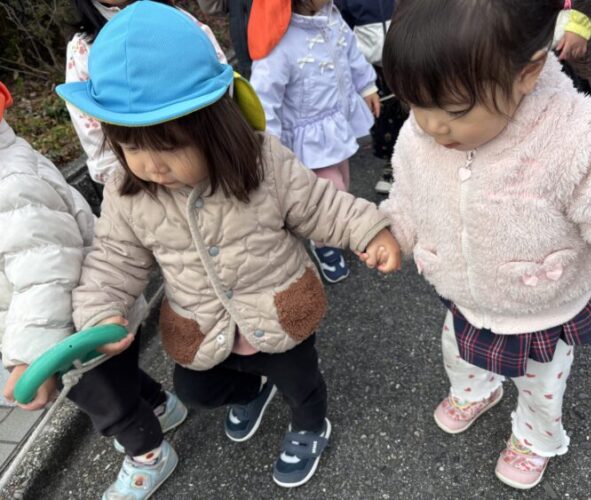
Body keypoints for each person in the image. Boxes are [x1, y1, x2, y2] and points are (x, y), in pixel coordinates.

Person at [56, 1, 400, 491]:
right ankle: (251, 389)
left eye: (169, 146)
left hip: (278, 308)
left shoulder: (261, 163)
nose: (151, 165)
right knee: (197, 390)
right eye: (130, 146)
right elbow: (113, 260)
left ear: (213, 123)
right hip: (204, 325)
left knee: (301, 384)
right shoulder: (128, 193)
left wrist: (369, 230)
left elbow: (320, 204)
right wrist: (100, 312)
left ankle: (310, 426)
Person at [378, 0, 591, 490]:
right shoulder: (425, 128)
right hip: (464, 296)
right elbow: (410, 194)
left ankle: (536, 436)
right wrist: (394, 232)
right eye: (414, 104)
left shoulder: (579, 136)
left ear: (528, 73)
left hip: (541, 309)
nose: (431, 125)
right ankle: (476, 390)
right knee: (458, 353)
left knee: (540, 386)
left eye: (453, 110)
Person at [0, 81, 187, 500]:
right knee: (119, 380)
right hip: (81, 317)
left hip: (71, 328)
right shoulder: (11, 164)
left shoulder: (10, 185)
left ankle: (149, 454)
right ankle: (161, 406)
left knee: (109, 404)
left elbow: (45, 271)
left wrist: (29, 358)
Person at [249, 0, 381, 283]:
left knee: (342, 181)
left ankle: (336, 227)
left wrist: (366, 84)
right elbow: (264, 99)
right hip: (306, 138)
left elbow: (351, 51)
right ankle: (324, 242)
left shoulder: (330, 16)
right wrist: (269, 146)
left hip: (334, 123)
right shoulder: (280, 41)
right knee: (329, 191)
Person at [65, 0, 227, 187]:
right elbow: (97, 142)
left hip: (212, 169)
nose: (155, 166)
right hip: (140, 186)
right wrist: (126, 185)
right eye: (132, 147)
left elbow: (220, 90)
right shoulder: (82, 48)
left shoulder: (177, 20)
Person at [335, 0, 407, 195]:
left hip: (406, 58)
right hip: (370, 66)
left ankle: (423, 163)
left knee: (416, 114)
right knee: (384, 120)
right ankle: (392, 166)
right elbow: (342, 27)